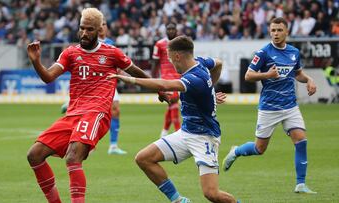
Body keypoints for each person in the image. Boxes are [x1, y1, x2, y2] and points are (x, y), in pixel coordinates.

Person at [26, 8, 168, 203]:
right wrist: (36, 62)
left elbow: (137, 72)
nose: (84, 33)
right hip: (73, 114)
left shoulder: (112, 53)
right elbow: (48, 77)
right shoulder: (70, 53)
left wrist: (159, 90)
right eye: (82, 28)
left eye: (90, 29)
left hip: (97, 113)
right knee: (34, 155)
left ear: (99, 30)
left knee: (73, 157)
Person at [108, 36, 238, 203]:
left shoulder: (193, 79)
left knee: (211, 194)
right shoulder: (202, 62)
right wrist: (210, 90)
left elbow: (165, 85)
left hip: (205, 137)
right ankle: (178, 200)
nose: (171, 63)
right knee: (143, 158)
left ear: (177, 56)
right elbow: (219, 62)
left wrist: (129, 79)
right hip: (186, 133)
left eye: (170, 59)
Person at [222, 17, 317, 194]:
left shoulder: (294, 52)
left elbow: (298, 74)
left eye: (279, 30)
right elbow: (248, 76)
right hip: (269, 108)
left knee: (301, 141)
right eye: (273, 30)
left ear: (287, 32)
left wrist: (309, 80)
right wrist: (267, 75)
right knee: (259, 149)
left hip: (290, 106)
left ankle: (301, 184)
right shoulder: (264, 52)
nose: (276, 34)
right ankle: (236, 151)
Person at [60, 18, 127, 155]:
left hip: (107, 83)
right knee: (90, 113)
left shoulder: (110, 44)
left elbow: (118, 65)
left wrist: (120, 72)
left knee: (115, 110)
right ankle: (85, 143)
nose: (103, 26)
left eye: (105, 24)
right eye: (101, 24)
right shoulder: (86, 42)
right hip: (90, 86)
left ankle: (113, 145)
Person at [152, 22, 181, 137]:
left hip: (178, 77)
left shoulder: (180, 43)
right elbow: (155, 62)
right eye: (169, 29)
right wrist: (153, 80)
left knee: (171, 104)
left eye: (173, 29)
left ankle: (164, 133)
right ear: (166, 30)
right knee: (173, 100)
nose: (171, 31)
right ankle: (178, 131)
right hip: (166, 79)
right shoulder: (159, 44)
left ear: (176, 30)